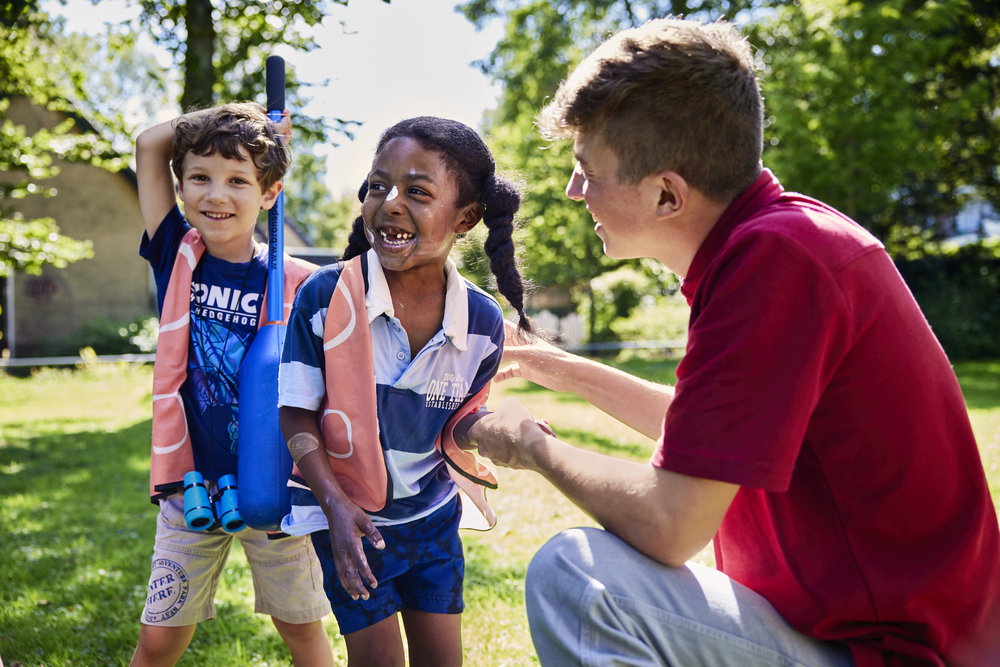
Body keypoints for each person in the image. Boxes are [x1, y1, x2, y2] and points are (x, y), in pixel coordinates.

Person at [468, 17, 1000, 667]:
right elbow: (719, 434)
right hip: (853, 634)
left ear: (668, 193)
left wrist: (531, 446)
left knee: (578, 576)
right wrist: (565, 369)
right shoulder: (778, 242)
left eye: (587, 171)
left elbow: (672, 522)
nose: (575, 191)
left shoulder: (775, 262)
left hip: (887, 652)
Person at [277, 116, 532, 667]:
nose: (389, 202)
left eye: (417, 191)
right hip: (350, 519)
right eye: (377, 185)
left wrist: (497, 430)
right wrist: (335, 507)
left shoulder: (481, 322)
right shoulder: (325, 297)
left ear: (464, 218)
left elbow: (459, 418)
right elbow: (296, 415)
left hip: (433, 518)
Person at [131, 103, 334, 667]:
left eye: (238, 180)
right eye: (199, 177)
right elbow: (151, 143)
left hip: (275, 487)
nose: (216, 195)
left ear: (270, 194)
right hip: (190, 486)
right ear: (181, 186)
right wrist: (244, 117)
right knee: (161, 635)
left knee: (302, 629)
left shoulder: (300, 284)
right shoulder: (177, 254)